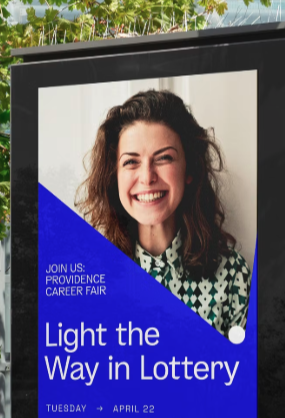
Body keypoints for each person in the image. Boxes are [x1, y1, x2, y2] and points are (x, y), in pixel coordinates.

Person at [76, 89, 251, 338]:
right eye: (131, 162)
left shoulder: (232, 274)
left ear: (189, 169)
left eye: (164, 158)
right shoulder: (90, 277)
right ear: (114, 177)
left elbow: (248, 374)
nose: (147, 177)